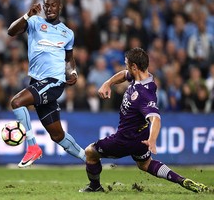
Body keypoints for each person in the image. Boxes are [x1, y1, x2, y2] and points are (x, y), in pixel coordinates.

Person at [79, 47, 209, 193]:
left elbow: (156, 119)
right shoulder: (143, 76)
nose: (125, 66)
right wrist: (108, 83)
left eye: (127, 63)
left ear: (134, 67)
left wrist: (152, 140)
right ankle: (181, 180)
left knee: (90, 152)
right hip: (141, 137)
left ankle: (95, 187)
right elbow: (123, 74)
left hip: (125, 139)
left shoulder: (145, 94)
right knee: (145, 164)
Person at [7, 0, 86, 168]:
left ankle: (32, 147)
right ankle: (89, 159)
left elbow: (69, 59)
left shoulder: (67, 33)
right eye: (47, 5)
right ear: (43, 7)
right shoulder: (34, 22)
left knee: (17, 102)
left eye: (53, 5)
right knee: (57, 135)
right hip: (37, 82)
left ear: (60, 7)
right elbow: (11, 32)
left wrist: (73, 73)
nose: (50, 8)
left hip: (54, 81)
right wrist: (27, 15)